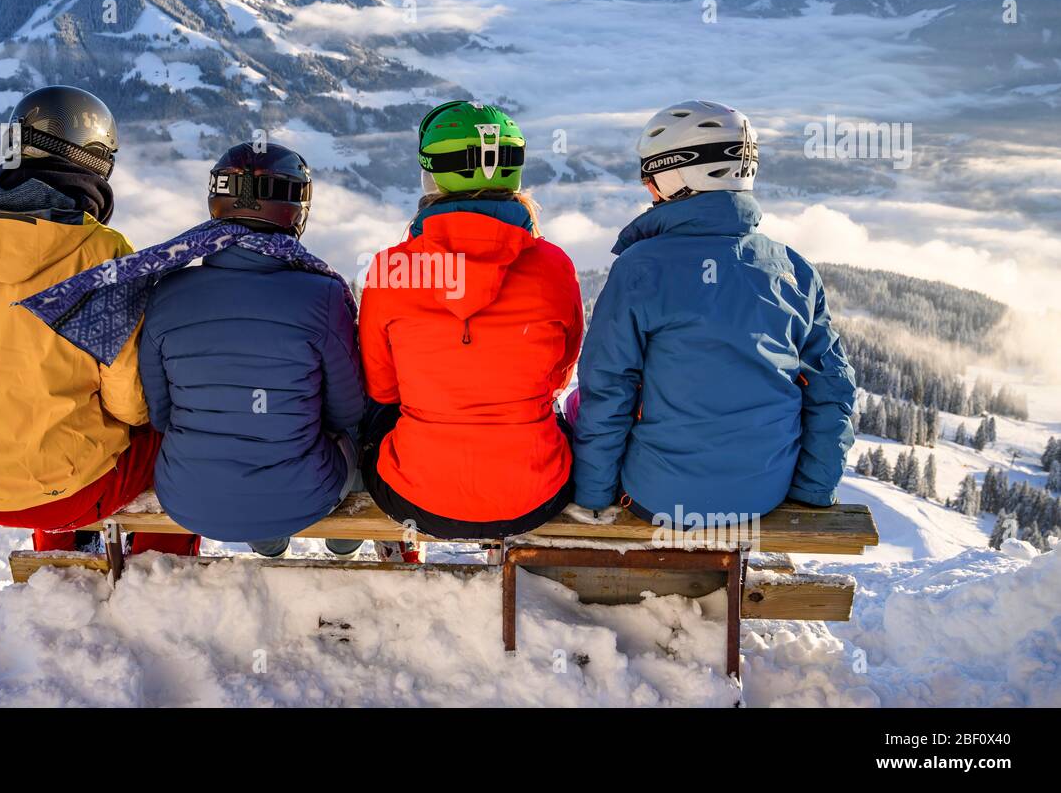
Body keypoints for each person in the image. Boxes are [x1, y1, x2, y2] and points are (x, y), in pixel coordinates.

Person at [0, 85, 198, 555]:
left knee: (59, 457)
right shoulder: (100, 253)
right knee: (185, 440)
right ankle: (160, 572)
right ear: (92, 161)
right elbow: (129, 399)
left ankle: (60, 558)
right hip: (74, 490)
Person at [570, 99, 856, 527]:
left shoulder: (640, 269)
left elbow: (609, 390)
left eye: (650, 174)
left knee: (576, 405)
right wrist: (812, 492)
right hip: (764, 494)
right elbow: (831, 388)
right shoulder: (793, 270)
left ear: (677, 175)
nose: (647, 185)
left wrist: (593, 498)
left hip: (659, 497)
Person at [358, 101, 584, 540]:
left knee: (372, 418)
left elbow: (382, 388)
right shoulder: (554, 266)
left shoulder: (391, 268)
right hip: (534, 497)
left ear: (432, 176)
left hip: (415, 497)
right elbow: (559, 375)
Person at [136, 143, 368, 557]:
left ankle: (268, 544)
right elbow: (346, 411)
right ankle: (345, 544)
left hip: (187, 496)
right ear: (295, 210)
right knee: (359, 431)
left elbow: (161, 413)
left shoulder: (165, 290)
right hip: (303, 496)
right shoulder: (324, 295)